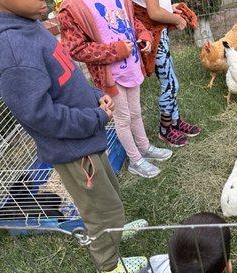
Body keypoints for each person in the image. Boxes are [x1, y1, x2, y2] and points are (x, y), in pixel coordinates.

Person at [0, 0, 149, 273]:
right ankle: (108, 264)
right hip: (74, 145)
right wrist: (95, 118)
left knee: (108, 194)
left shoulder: (27, 24)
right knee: (101, 209)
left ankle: (115, 229)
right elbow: (38, 114)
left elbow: (65, 76)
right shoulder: (12, 47)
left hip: (85, 136)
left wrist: (95, 96)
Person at [58, 0, 173, 179]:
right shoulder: (72, 8)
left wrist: (143, 34)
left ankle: (144, 147)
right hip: (109, 75)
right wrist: (115, 50)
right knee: (123, 117)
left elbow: (130, 20)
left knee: (135, 112)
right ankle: (135, 160)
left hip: (131, 67)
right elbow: (76, 48)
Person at [132, 0, 202, 148]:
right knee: (170, 85)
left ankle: (175, 121)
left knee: (170, 80)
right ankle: (165, 129)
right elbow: (154, 12)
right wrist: (177, 19)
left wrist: (169, 8)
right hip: (153, 32)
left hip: (158, 32)